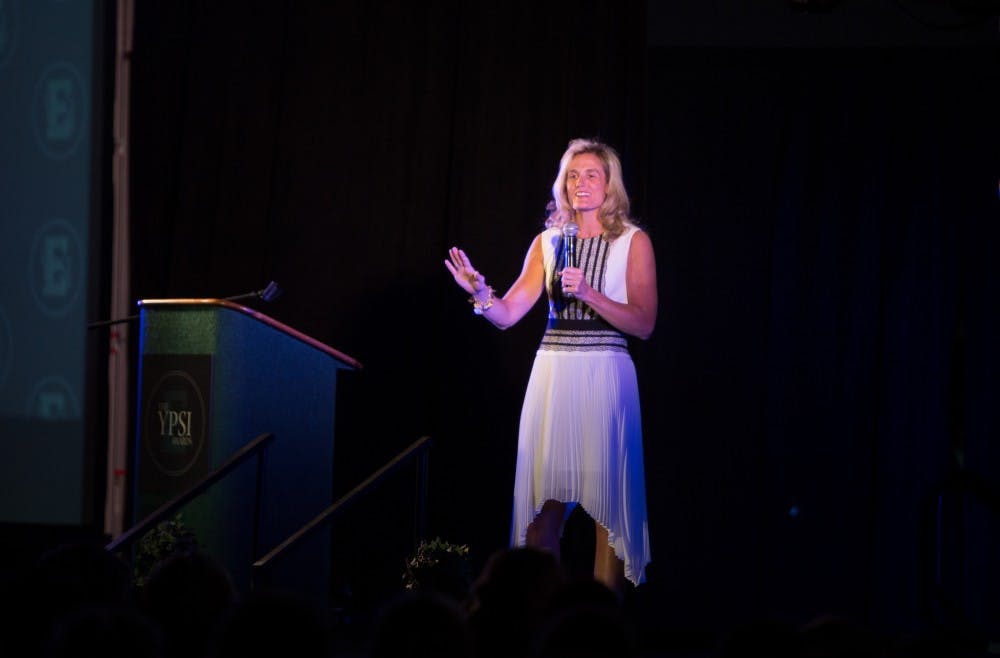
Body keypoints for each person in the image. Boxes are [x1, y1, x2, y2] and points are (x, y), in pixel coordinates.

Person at [444, 138, 656, 595]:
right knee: (543, 514)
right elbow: (508, 314)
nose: (581, 184)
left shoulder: (633, 242)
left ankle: (603, 630)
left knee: (609, 516)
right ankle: (538, 621)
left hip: (606, 373)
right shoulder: (548, 242)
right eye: (573, 176)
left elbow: (643, 323)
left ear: (609, 184)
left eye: (591, 175)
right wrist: (479, 292)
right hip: (554, 373)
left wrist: (591, 295)